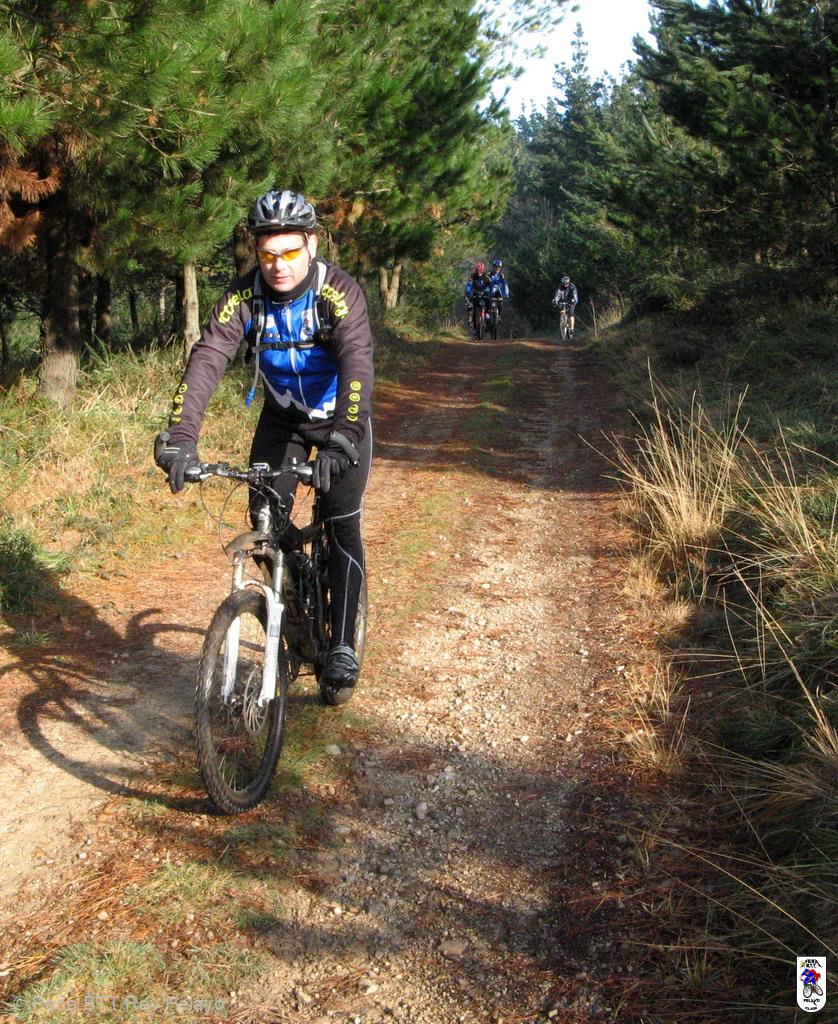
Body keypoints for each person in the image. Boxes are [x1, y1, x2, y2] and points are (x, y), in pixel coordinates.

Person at [154, 189, 374, 692]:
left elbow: (357, 363)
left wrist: (344, 438)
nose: (279, 265)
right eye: (268, 253)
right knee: (264, 518)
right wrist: (181, 435)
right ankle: (293, 597)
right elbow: (208, 357)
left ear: (311, 245)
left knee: (340, 522)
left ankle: (342, 642)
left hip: (340, 421)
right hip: (283, 420)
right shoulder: (243, 297)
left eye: (290, 251)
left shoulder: (337, 293)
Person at [464, 261, 494, 337]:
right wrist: (468, 291)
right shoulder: (472, 276)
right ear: (475, 270)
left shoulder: (486, 277)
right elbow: (469, 285)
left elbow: (491, 285)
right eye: (477, 271)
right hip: (475, 295)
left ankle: (487, 315)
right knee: (473, 309)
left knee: (489, 302)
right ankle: (474, 327)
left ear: (483, 270)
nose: (479, 272)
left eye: (480, 271)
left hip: (484, 295)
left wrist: (490, 291)